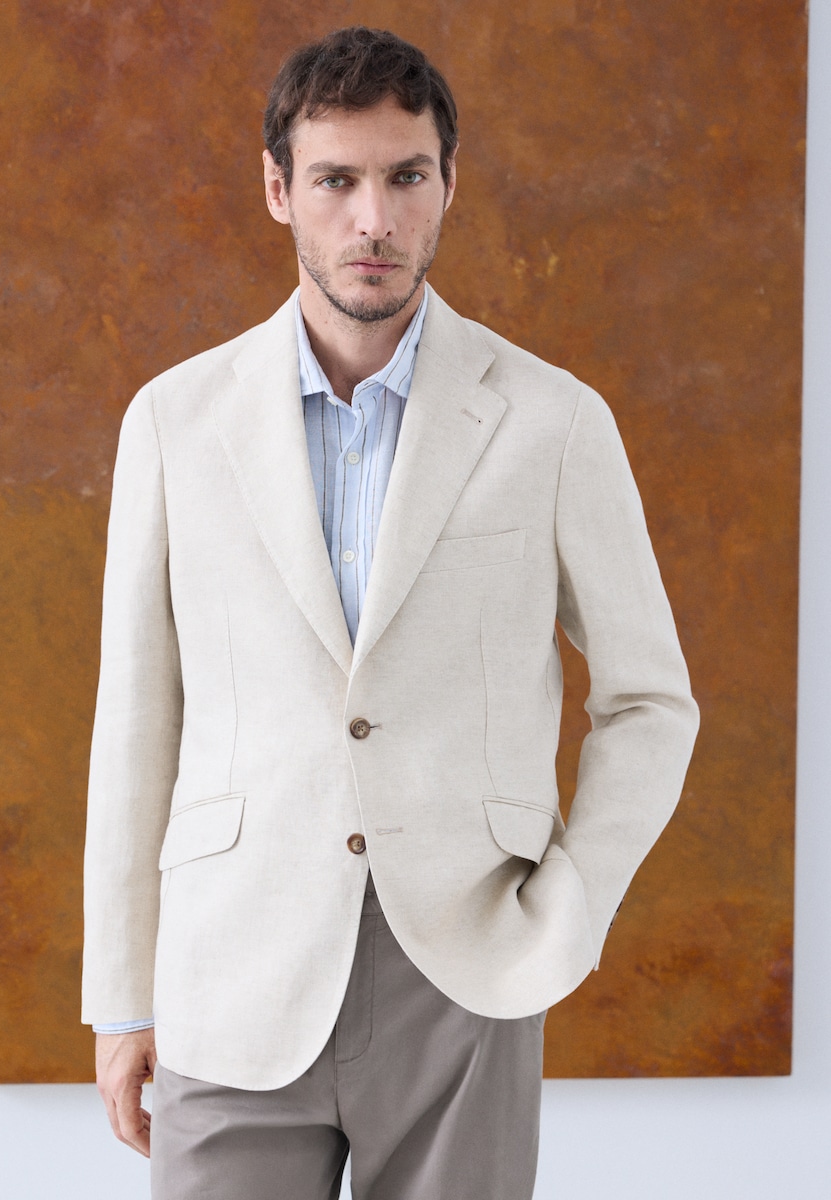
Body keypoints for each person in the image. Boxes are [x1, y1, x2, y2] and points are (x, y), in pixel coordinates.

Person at [82, 25, 698, 1200]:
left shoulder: (552, 422)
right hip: (233, 968)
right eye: (336, 180)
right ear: (279, 189)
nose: (373, 219)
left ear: (447, 183)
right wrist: (120, 997)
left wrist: (569, 905)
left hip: (465, 970)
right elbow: (137, 718)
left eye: (405, 176)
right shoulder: (174, 421)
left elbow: (648, 701)